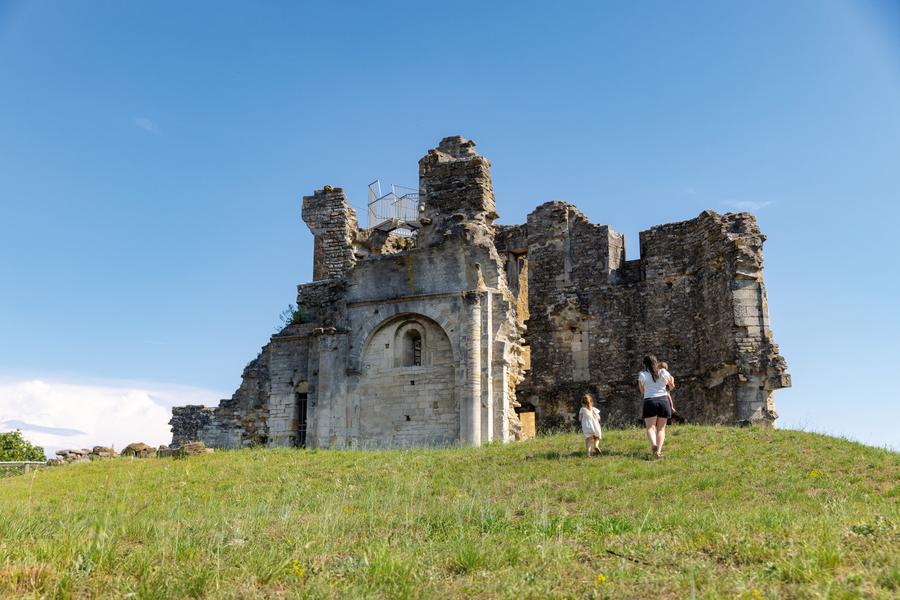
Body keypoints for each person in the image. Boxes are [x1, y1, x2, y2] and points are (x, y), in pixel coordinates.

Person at [638, 355, 674, 458]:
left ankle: (653, 444)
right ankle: (658, 451)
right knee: (661, 429)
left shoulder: (642, 374)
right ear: (656, 362)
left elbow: (642, 391)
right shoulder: (663, 372)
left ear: (644, 364)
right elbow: (671, 386)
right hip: (663, 401)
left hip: (650, 401)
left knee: (650, 427)